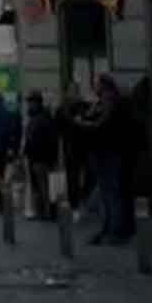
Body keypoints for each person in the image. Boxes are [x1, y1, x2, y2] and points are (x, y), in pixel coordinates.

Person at [76, 75, 136, 245]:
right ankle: (109, 229)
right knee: (107, 193)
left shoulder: (110, 102)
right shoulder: (102, 102)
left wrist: (82, 123)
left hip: (108, 153)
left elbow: (101, 126)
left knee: (111, 194)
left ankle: (114, 231)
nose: (94, 87)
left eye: (97, 85)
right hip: (104, 153)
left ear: (104, 86)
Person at [56, 82, 90, 220]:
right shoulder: (63, 108)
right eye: (72, 90)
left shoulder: (84, 106)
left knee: (85, 176)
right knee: (73, 178)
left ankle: (82, 202)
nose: (74, 93)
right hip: (71, 148)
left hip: (83, 147)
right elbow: (58, 130)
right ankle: (75, 205)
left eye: (76, 90)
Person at [23, 90, 59, 220]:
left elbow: (41, 140)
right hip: (37, 157)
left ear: (37, 103)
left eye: (30, 102)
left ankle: (47, 212)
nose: (29, 105)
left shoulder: (41, 119)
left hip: (40, 157)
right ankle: (42, 211)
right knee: (39, 186)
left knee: (43, 186)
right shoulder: (39, 118)